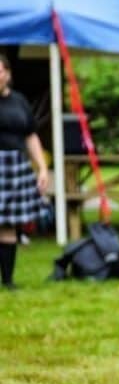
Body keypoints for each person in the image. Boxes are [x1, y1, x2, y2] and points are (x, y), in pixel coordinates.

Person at [0, 54, 49, 291]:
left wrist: (41, 167)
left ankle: (8, 281)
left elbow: (30, 134)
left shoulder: (18, 101)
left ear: (7, 74)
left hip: (15, 166)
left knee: (9, 224)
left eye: (0, 71)